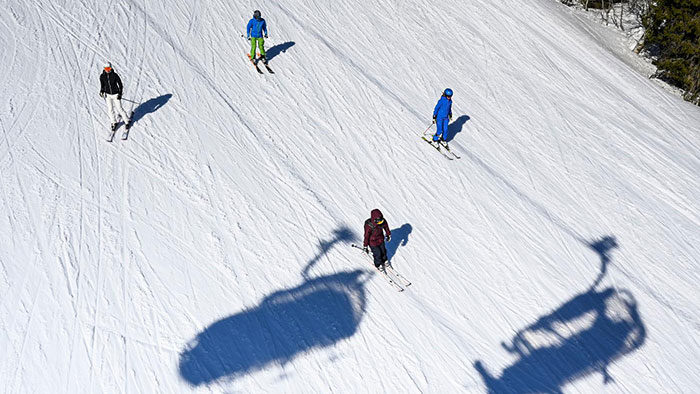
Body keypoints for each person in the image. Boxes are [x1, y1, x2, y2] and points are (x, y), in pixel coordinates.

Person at [99, 62, 131, 131]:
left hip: (116, 94)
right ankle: (113, 122)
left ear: (111, 68)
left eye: (109, 68)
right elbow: (102, 85)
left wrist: (120, 93)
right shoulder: (102, 76)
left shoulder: (115, 75)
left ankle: (127, 121)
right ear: (104, 69)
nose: (108, 70)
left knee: (119, 108)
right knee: (110, 109)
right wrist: (102, 91)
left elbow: (120, 85)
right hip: (108, 95)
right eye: (106, 68)